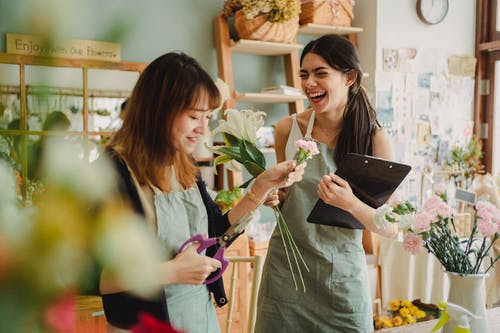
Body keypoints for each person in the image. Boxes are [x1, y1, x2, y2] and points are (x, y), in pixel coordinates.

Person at [99, 52, 304, 333]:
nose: (203, 128)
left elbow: (216, 235)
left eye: (208, 116)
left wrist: (261, 186)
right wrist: (171, 271)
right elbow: (93, 276)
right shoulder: (114, 172)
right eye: (194, 116)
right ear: (159, 110)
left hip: (199, 320)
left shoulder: (185, 166)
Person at [255, 34, 398, 333]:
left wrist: (350, 203)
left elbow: (391, 227)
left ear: (350, 77)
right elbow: (285, 196)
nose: (309, 84)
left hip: (342, 282)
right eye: (304, 75)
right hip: (287, 276)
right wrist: (273, 196)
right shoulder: (287, 129)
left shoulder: (373, 139)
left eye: (321, 73)